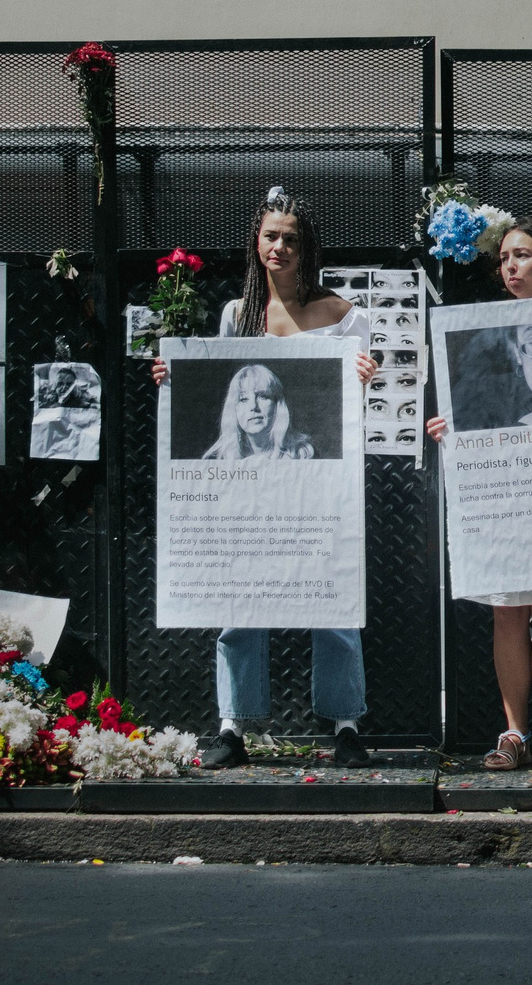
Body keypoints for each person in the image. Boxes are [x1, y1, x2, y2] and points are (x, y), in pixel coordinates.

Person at [150, 189, 378, 770]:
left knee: (334, 603)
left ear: (307, 249)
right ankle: (232, 726)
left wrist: (365, 376)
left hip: (319, 484)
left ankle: (346, 725)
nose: (278, 247)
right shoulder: (236, 314)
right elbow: (225, 380)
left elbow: (351, 410)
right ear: (257, 242)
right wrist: (171, 376)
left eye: (290, 239)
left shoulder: (345, 315)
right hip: (244, 490)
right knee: (238, 603)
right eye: (270, 235)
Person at [425, 218, 532, 777]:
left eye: (523, 255)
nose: (512, 265)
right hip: (500, 487)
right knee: (504, 608)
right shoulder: (482, 333)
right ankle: (513, 731)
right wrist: (445, 425)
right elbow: (469, 407)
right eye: (505, 259)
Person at [201, 363, 317, 461]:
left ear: (277, 405)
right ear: (233, 409)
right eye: (243, 399)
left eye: (262, 396)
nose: (253, 406)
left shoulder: (303, 455)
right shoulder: (216, 459)